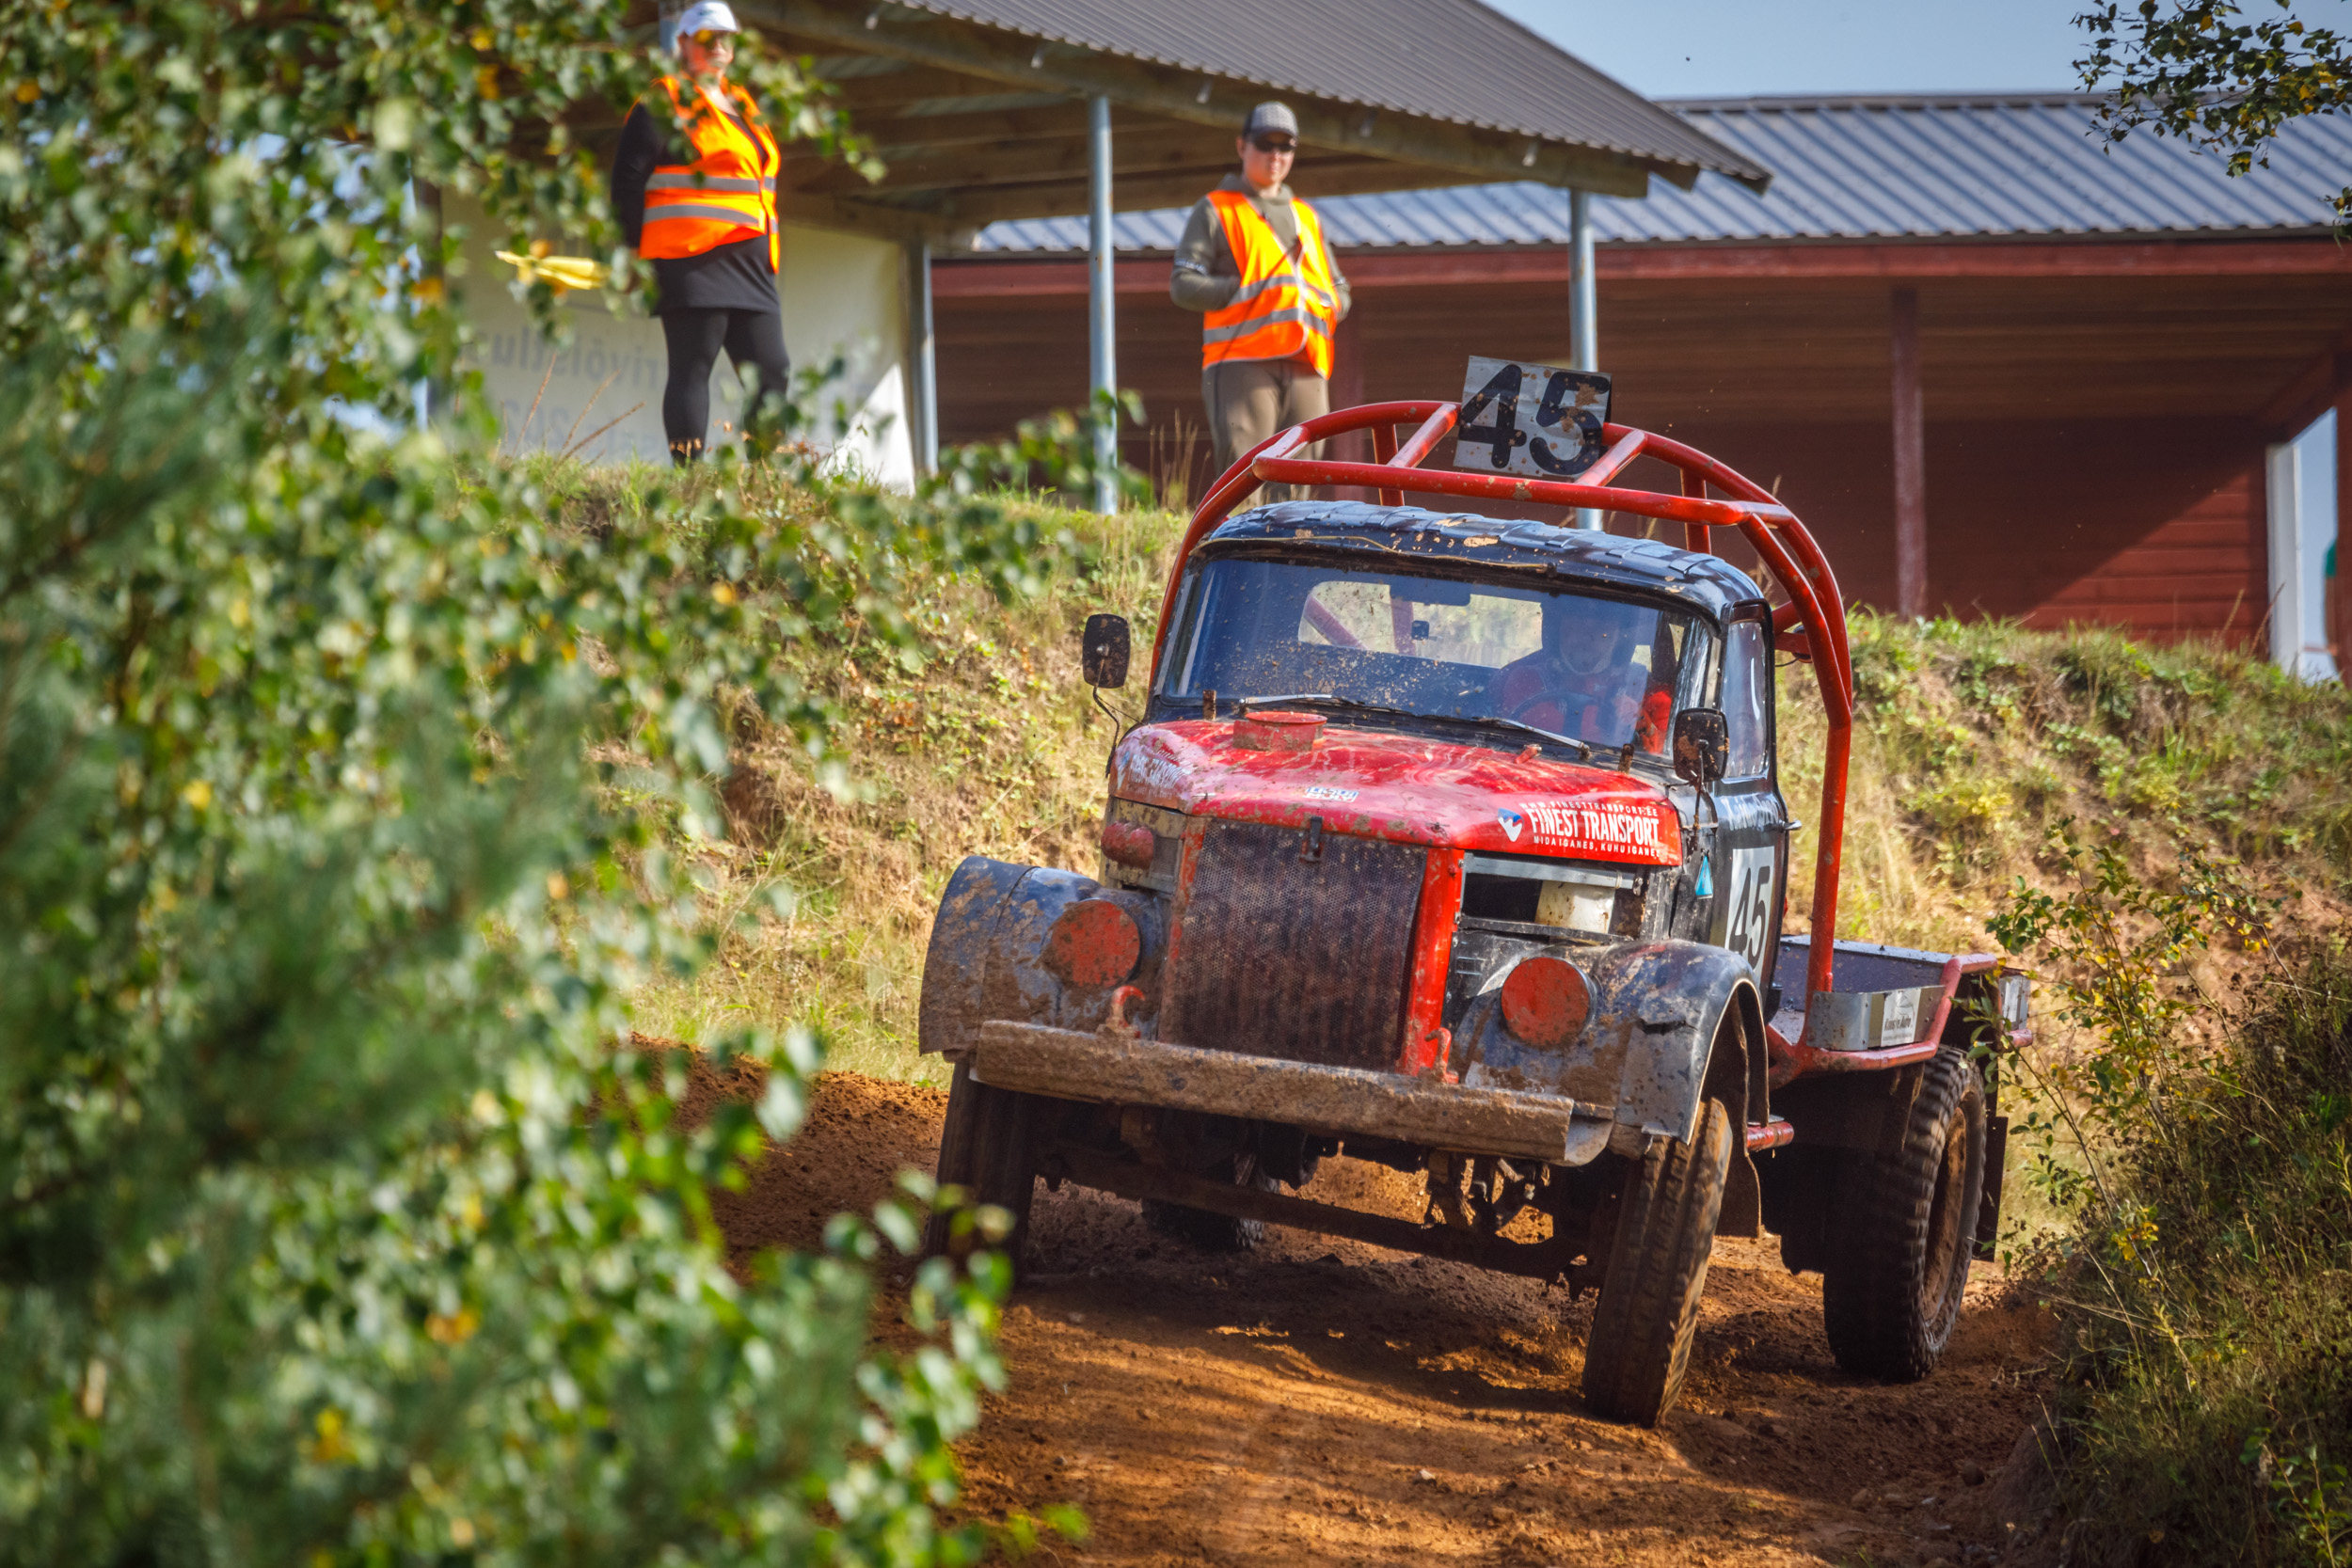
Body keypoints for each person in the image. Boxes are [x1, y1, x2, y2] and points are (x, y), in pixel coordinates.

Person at [610, 0, 790, 463]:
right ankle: (689, 484)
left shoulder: (744, 104)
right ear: (683, 43)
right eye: (707, 37)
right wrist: (632, 253)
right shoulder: (664, 100)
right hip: (689, 256)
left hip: (751, 262)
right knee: (693, 367)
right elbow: (626, 183)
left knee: (772, 371)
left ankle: (764, 481)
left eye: (725, 37)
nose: (718, 45)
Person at [1170, 103, 1353, 500]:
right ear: (1242, 146)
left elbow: (1339, 287)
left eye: (1286, 146)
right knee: (1245, 481)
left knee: (1301, 484)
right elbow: (1182, 284)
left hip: (1307, 362)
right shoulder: (1215, 209)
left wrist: (1332, 305)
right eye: (1265, 144)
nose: (1275, 155)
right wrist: (1238, 290)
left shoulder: (1306, 216)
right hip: (1242, 361)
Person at [1491, 599, 1673, 752]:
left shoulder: (1647, 692)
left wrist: (1642, 725)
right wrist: (1611, 725)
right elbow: (1542, 740)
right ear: (1557, 631)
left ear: (1619, 638)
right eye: (1575, 626)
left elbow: (1662, 757)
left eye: (1601, 629)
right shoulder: (1526, 679)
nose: (1587, 638)